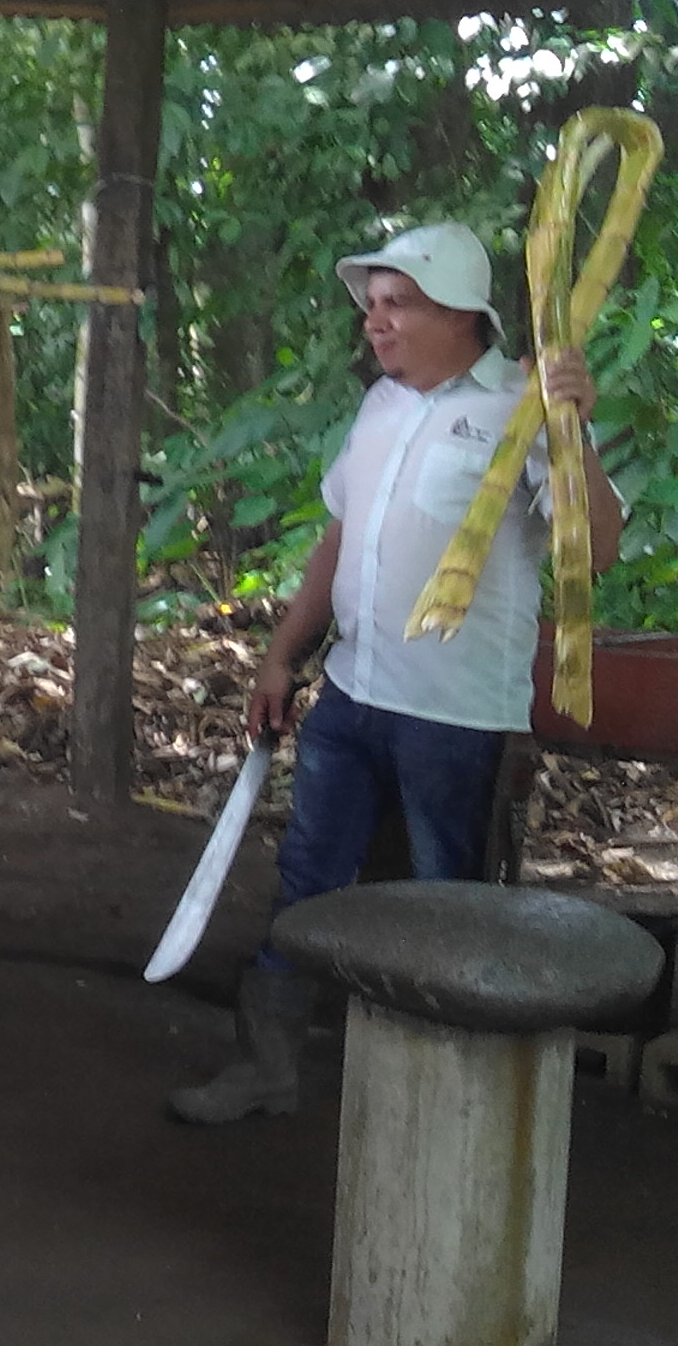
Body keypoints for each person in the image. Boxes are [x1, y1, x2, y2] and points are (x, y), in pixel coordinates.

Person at [170, 222, 619, 1125]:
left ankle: (440, 1105)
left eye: (396, 304)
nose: (374, 323)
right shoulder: (380, 407)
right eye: (370, 304)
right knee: (307, 879)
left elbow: (598, 548)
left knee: (447, 900)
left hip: (457, 718)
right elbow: (338, 543)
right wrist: (279, 655)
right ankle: (268, 1066)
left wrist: (571, 427)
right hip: (353, 695)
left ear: (461, 315)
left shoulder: (523, 408)